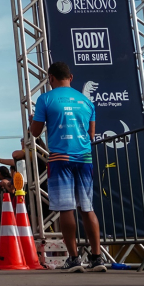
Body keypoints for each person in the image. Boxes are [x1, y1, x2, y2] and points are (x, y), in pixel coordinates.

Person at [30, 61, 104, 273]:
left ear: (50, 78)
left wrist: (32, 121)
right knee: (87, 208)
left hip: (60, 158)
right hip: (84, 158)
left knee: (66, 208)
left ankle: (74, 258)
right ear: (71, 77)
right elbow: (91, 135)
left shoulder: (45, 99)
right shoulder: (87, 102)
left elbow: (35, 132)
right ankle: (97, 258)